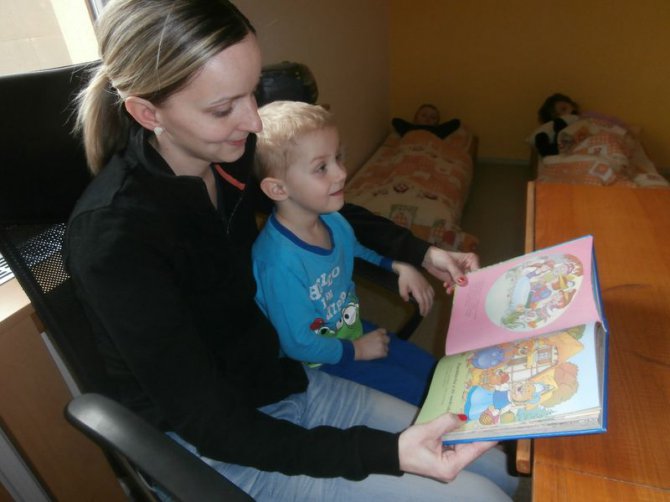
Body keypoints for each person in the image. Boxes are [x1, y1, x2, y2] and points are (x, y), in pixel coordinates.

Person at [64, 0, 518, 499]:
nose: (254, 122)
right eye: (223, 108)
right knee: (482, 497)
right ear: (148, 113)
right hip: (223, 446)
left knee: (497, 463)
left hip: (281, 382)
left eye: (253, 93)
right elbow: (212, 423)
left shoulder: (228, 159)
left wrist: (420, 251)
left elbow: (321, 206)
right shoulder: (115, 237)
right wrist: (385, 453)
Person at [252, 100, 437, 406]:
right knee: (423, 397)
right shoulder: (278, 262)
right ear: (278, 189)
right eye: (321, 167)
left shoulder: (333, 220)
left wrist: (397, 266)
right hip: (318, 362)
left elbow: (354, 249)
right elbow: (298, 343)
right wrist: (357, 350)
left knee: (434, 371)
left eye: (338, 157)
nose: (341, 173)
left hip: (348, 329)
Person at [391, 103, 461, 139]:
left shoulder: (438, 131)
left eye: (433, 117)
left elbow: (456, 122)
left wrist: (438, 127)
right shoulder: (410, 129)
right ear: (415, 119)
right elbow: (396, 121)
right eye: (423, 115)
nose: (428, 119)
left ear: (437, 123)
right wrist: (413, 125)